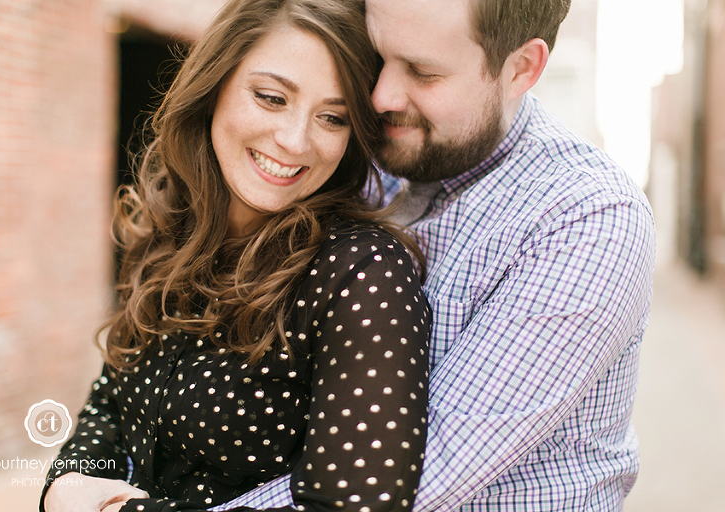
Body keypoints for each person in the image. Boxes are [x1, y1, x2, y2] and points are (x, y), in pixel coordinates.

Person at [204, 0, 656, 511]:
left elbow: (400, 477)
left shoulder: (586, 217)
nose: (378, 96)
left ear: (521, 68)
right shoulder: (365, 147)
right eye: (379, 56)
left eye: (423, 72)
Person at [40, 1, 431, 511]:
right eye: (271, 98)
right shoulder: (168, 229)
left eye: (332, 117)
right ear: (215, 83)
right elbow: (112, 403)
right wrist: (66, 485)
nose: (294, 141)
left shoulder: (361, 272)